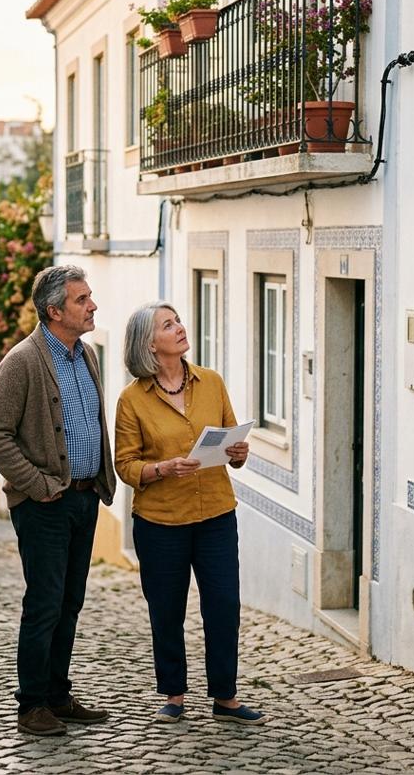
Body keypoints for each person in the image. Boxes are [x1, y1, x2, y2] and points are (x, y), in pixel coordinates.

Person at [114, 300, 267, 725]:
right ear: (149, 344)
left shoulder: (212, 383)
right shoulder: (132, 400)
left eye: (178, 319)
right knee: (166, 610)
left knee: (223, 605)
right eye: (168, 324)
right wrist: (163, 468)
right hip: (160, 523)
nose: (180, 327)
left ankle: (225, 697)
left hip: (216, 513)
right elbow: (124, 465)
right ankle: (174, 694)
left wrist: (238, 453)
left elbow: (234, 449)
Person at [0, 265, 117, 737]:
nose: (92, 305)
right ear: (54, 310)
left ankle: (59, 694)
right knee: (44, 603)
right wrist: (38, 485)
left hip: (84, 498)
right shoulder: (21, 362)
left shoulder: (88, 355)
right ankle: (32, 703)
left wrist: (98, 479)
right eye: (82, 300)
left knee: (71, 601)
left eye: (90, 297)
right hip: (44, 504)